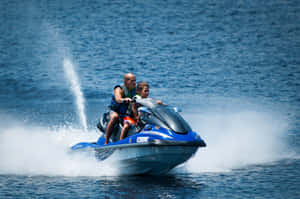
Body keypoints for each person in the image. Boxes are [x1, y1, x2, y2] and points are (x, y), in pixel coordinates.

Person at [104, 73, 136, 145]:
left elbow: (143, 98)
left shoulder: (135, 90)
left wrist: (155, 102)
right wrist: (124, 99)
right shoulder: (119, 89)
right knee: (115, 117)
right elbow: (118, 99)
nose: (134, 83)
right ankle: (106, 141)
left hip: (125, 114)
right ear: (126, 81)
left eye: (135, 81)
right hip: (113, 111)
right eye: (132, 81)